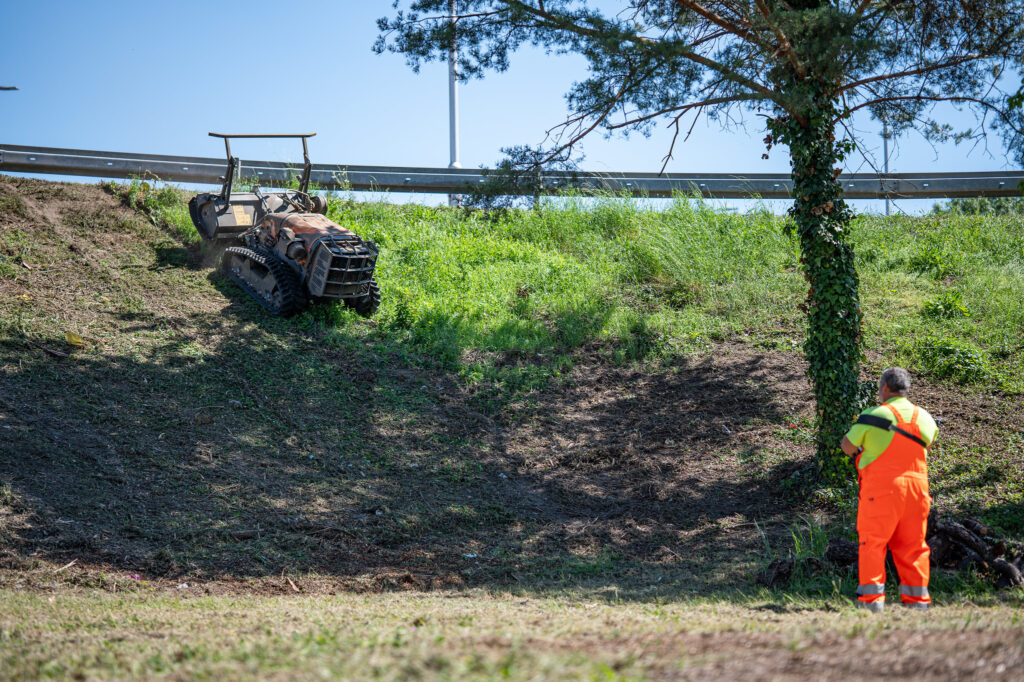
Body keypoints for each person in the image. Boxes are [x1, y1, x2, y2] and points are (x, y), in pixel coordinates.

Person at [841, 367, 938, 612]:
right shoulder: (925, 417)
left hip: (883, 491)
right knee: (914, 546)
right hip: (918, 491)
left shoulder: (873, 415)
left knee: (873, 544)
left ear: (884, 387)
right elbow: (927, 444)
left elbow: (847, 446)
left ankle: (872, 604)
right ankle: (918, 603)